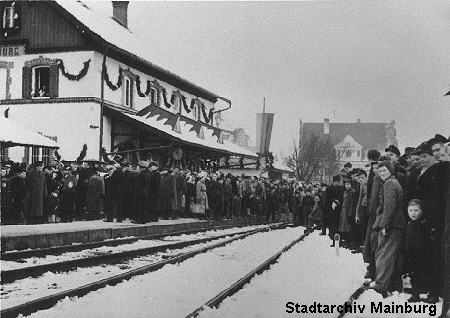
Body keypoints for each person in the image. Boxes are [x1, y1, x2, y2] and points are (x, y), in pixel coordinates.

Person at [371, 160, 406, 297]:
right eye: (380, 171)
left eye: (385, 170)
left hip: (391, 224)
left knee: (384, 254)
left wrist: (385, 225)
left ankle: (381, 285)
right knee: (387, 254)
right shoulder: (393, 182)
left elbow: (389, 207)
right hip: (396, 224)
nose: (382, 173)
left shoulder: (389, 184)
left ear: (391, 171)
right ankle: (385, 284)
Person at [402, 199, 432, 303]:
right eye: (410, 210)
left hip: (422, 255)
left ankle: (428, 292)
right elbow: (407, 240)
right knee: (413, 275)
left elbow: (425, 242)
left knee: (423, 273)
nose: (413, 213)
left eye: (416, 210)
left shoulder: (423, 225)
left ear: (422, 211)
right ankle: (415, 294)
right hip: (412, 254)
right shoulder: (409, 224)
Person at [339, 178, 357, 249]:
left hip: (348, 210)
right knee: (344, 227)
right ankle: (347, 242)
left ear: (351, 185)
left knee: (349, 227)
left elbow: (352, 203)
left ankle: (351, 243)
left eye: (348, 184)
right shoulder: (345, 192)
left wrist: (350, 213)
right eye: (345, 184)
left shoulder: (352, 192)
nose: (346, 185)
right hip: (343, 210)